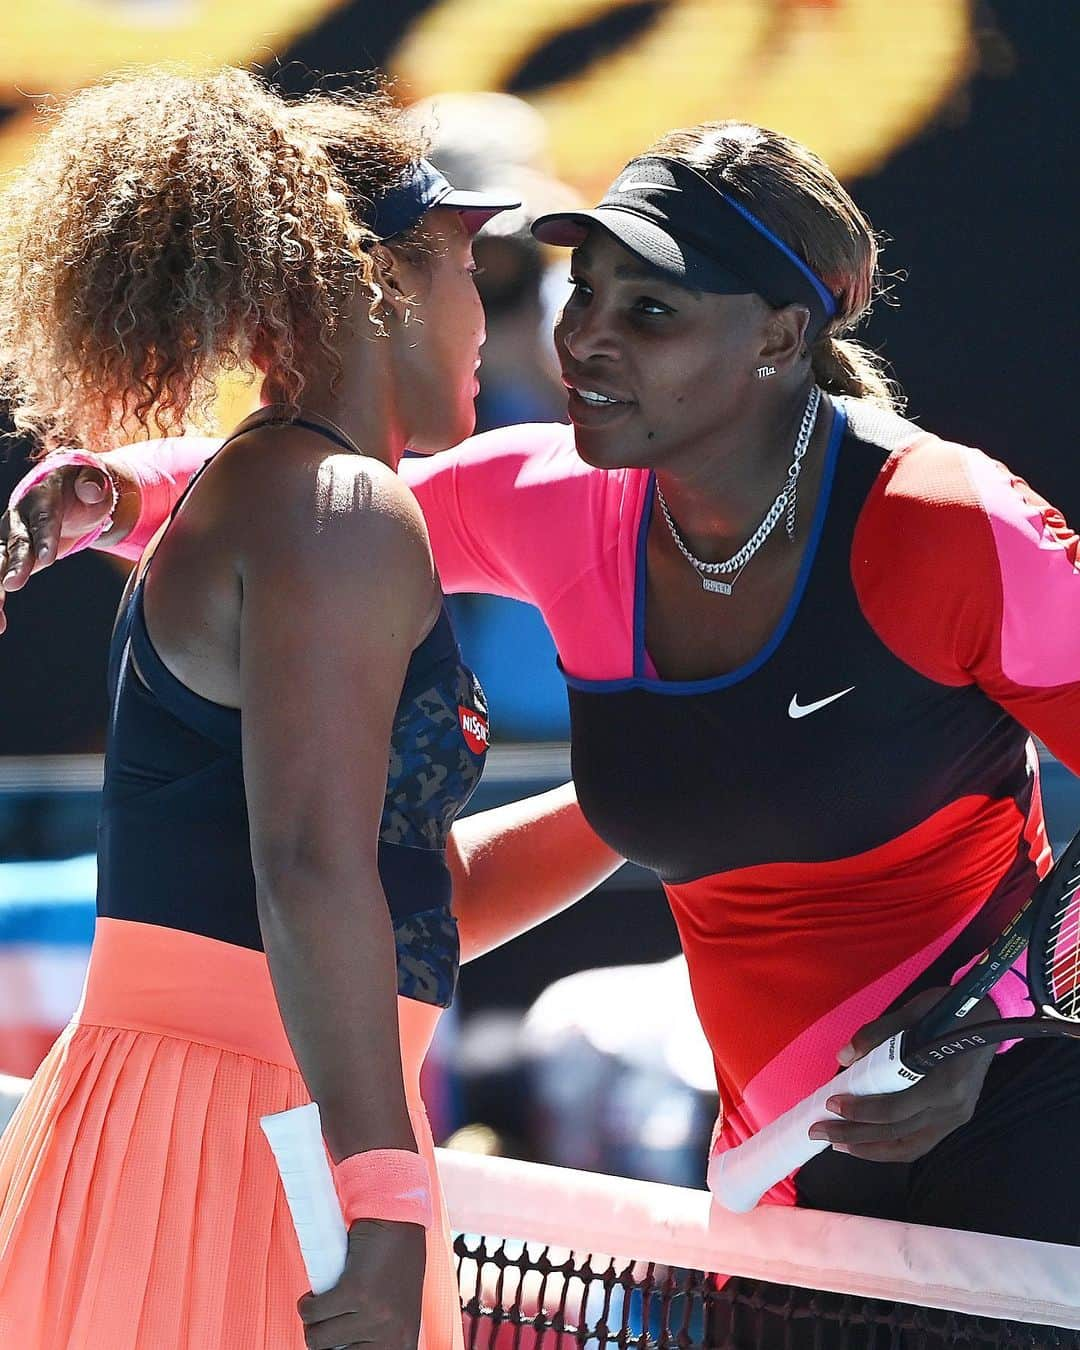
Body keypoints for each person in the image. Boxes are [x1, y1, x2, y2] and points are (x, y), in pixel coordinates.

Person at [6, 116, 1080, 1262]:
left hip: (1027, 1132)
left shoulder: (950, 524)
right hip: (777, 1187)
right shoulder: (560, 498)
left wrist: (999, 1019)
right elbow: (336, 493)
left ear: (778, 335)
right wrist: (105, 490)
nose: (587, 341)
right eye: (586, 297)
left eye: (649, 312)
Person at [0, 69, 621, 1350]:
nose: (487, 317)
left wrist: (645, 801)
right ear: (389, 283)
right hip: (257, 1141)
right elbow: (311, 867)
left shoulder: (291, 496)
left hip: (242, 1124)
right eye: (471, 267)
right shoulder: (335, 511)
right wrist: (383, 1198)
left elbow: (392, 892)